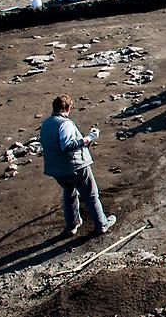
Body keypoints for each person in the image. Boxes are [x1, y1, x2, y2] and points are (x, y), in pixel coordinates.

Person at [39, 94, 116, 237]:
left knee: (69, 194)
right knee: (91, 195)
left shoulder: (46, 124)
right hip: (75, 167)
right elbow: (67, 145)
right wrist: (89, 138)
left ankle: (72, 225)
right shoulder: (65, 124)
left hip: (55, 169)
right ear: (68, 108)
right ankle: (102, 225)